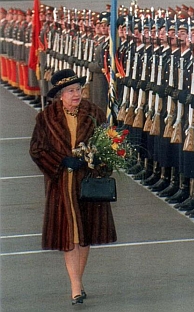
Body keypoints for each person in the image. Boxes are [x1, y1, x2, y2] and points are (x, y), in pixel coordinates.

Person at [29, 69, 117, 305]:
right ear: (60, 95)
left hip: (87, 182)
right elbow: (36, 150)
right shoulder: (46, 118)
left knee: (85, 233)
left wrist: (97, 160)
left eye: (78, 89)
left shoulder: (94, 113)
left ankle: (78, 280)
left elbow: (109, 142)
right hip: (61, 185)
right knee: (71, 234)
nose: (76, 94)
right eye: (70, 91)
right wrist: (60, 162)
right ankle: (75, 286)